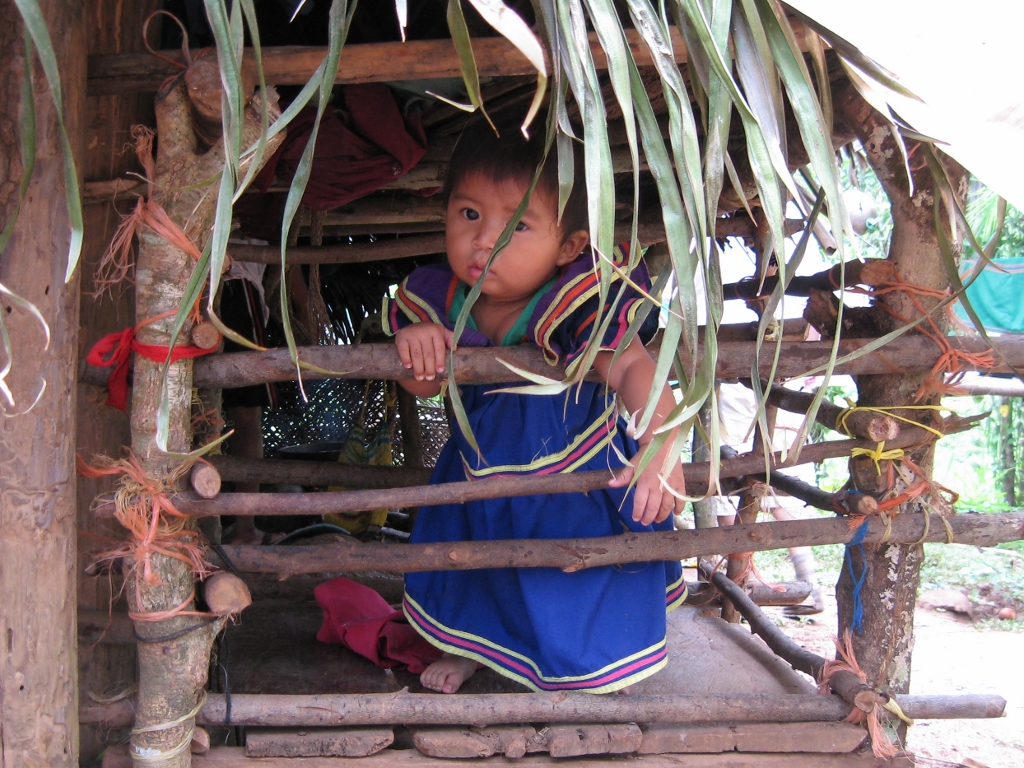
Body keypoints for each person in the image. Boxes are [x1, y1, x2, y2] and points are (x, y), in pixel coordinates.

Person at [382, 115, 687, 695]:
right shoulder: (439, 302)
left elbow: (630, 366)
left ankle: (595, 656)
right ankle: (479, 652)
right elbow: (423, 387)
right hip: (480, 474)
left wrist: (659, 443)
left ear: (568, 245)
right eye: (469, 214)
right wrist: (415, 347)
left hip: (577, 475)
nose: (484, 241)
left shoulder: (579, 301)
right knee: (483, 566)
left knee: (573, 578)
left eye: (517, 225)